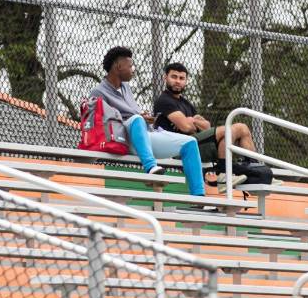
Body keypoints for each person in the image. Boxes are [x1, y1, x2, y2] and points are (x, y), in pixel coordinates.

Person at [89, 47, 214, 208]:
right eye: (130, 66)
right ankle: (150, 167)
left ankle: (198, 197)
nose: (133, 70)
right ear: (118, 66)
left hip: (144, 134)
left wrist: (143, 116)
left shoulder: (126, 87)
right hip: (123, 138)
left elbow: (133, 113)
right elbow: (100, 121)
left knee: (190, 143)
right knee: (136, 120)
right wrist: (137, 118)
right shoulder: (98, 92)